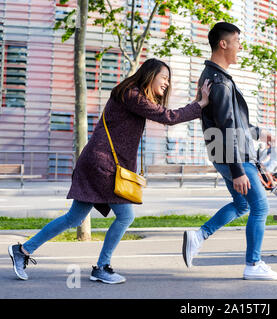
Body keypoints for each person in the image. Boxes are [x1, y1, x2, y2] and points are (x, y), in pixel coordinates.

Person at [8, 58, 211, 284]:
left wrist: (198, 103)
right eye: (164, 77)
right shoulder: (131, 94)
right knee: (125, 216)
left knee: (74, 218)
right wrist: (201, 104)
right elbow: (168, 117)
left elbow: (164, 114)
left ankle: (23, 250)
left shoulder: (132, 95)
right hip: (102, 164)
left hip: (97, 161)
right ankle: (102, 266)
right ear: (149, 74)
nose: (166, 83)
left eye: (168, 79)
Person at [182, 22, 277, 281]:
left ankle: (199, 236)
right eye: (238, 40)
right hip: (234, 158)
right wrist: (238, 170)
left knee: (242, 206)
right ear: (223, 43)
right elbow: (226, 127)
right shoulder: (219, 82)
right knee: (260, 208)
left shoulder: (216, 77)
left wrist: (260, 133)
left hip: (226, 155)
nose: (241, 45)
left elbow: (234, 124)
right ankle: (253, 264)